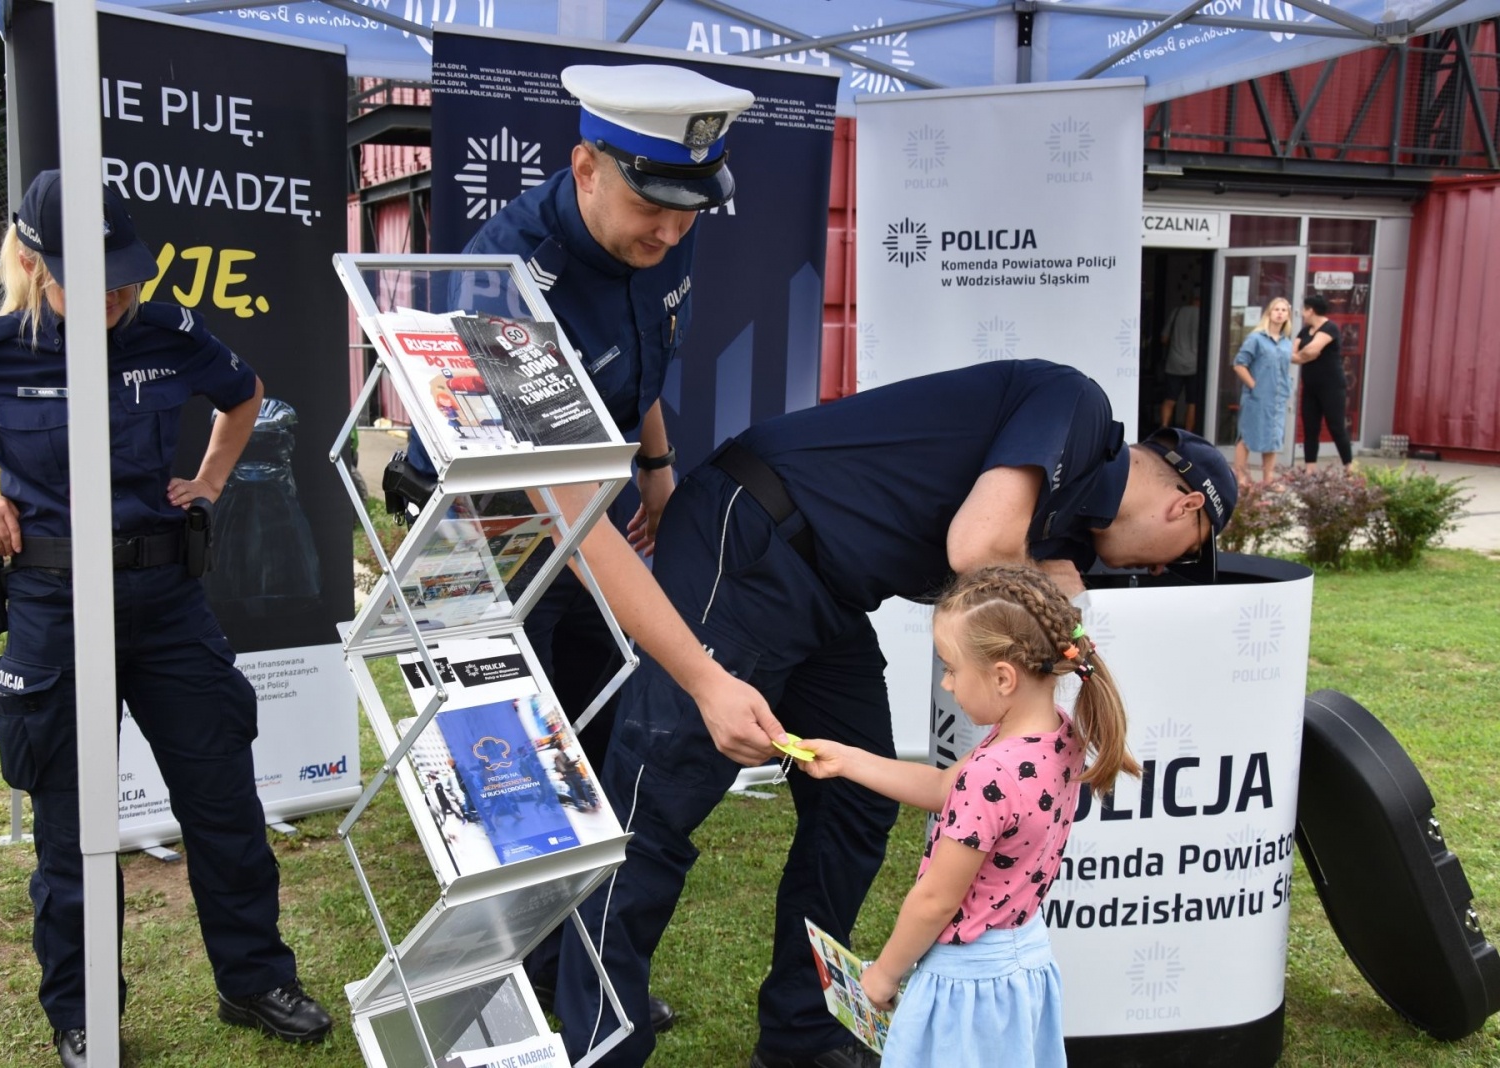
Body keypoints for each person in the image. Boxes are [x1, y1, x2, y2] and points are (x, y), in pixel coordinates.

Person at [552, 358, 1238, 1068]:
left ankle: (801, 1032)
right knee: (656, 807)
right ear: (1184, 505)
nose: (1159, 571)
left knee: (858, 801)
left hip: (830, 592)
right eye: (1183, 554)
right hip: (755, 526)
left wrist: (1047, 569)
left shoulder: (1071, 524)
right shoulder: (1076, 404)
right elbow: (974, 547)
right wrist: (1044, 574)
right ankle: (601, 1046)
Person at [0, 171, 331, 1067]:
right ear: (34, 264)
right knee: (72, 832)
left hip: (167, 601)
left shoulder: (167, 333)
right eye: (88, 279)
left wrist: (209, 481)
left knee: (224, 805)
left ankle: (254, 981)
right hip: (55, 610)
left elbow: (244, 393)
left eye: (123, 276)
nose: (113, 295)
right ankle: (86, 1012)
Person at [406, 62, 756, 1035]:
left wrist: (658, 467)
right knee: (512, 782)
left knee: (600, 759)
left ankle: (578, 980)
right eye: (653, 208)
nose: (672, 235)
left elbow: (639, 362)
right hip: (485, 544)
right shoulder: (498, 282)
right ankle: (509, 998)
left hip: (588, 523)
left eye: (689, 213)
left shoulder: (659, 230)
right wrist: (704, 677)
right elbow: (561, 506)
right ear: (587, 167)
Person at [793, 564, 1138, 1067]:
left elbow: (935, 900)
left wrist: (884, 975)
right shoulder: (1056, 735)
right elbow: (942, 788)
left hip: (966, 981)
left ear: (1002, 677)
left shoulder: (992, 774)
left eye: (952, 668)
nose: (947, 683)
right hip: (1021, 963)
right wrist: (848, 760)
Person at [1232, 297, 1295, 488]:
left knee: (1273, 439)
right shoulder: (1256, 339)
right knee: (1247, 437)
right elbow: (1239, 364)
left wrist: (1287, 388)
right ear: (1269, 313)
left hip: (1277, 398)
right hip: (1257, 398)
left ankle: (1268, 480)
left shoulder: (1286, 343)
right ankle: (1240, 478)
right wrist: (1254, 386)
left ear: (1288, 315)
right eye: (1276, 309)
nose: (1280, 313)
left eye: (1284, 310)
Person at [1293, 293, 1354, 472]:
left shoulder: (1330, 328)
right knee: (1310, 428)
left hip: (1331, 387)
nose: (1302, 314)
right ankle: (1310, 470)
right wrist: (1303, 356)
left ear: (1310, 310)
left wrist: (1302, 355)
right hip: (1310, 387)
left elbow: (1312, 349)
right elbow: (1294, 353)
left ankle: (1349, 468)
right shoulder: (1304, 331)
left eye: (1304, 310)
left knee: (1336, 426)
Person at [1158, 287, 1201, 431]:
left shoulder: (1177, 312)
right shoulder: (1204, 315)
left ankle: (1163, 429)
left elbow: (1164, 339)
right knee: (1192, 403)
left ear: (1191, 298)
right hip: (1194, 366)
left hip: (1174, 364)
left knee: (1170, 399)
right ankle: (1188, 434)